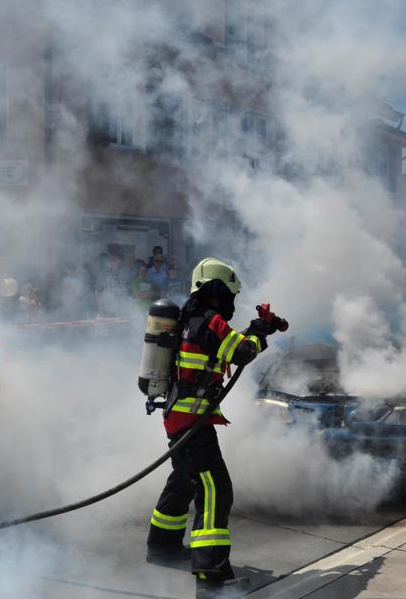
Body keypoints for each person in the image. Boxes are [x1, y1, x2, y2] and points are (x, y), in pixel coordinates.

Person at [147, 257, 282, 595]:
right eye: (228, 294)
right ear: (217, 291)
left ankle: (162, 547)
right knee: (214, 488)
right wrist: (261, 330)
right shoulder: (210, 321)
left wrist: (256, 327)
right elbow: (243, 352)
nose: (230, 301)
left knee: (184, 480)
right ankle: (211, 576)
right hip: (192, 420)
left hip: (179, 415)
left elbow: (232, 348)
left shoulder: (189, 318)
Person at [95, 251, 132, 317]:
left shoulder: (124, 272)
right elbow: (98, 291)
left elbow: (128, 291)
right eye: (111, 260)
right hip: (108, 308)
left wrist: (129, 308)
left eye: (115, 260)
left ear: (119, 261)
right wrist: (99, 310)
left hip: (122, 309)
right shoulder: (104, 273)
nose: (113, 262)